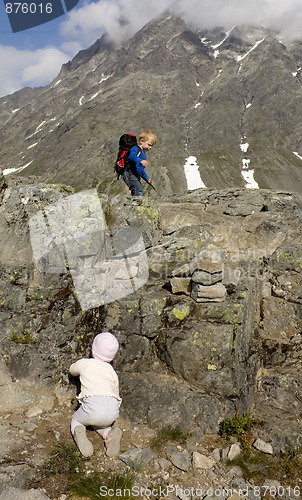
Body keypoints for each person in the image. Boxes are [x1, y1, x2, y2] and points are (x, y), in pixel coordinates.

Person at [69, 332, 122, 458]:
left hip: (93, 407)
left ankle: (79, 433)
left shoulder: (85, 363)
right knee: (99, 423)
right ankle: (109, 435)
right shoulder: (112, 372)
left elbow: (72, 369)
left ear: (93, 350)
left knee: (77, 420)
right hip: (112, 410)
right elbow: (116, 391)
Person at [123, 129, 157, 196]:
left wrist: (147, 178)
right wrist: (140, 161)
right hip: (129, 173)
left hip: (134, 175)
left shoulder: (143, 153)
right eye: (149, 145)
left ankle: (135, 204)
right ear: (142, 141)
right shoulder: (135, 148)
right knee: (137, 189)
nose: (150, 147)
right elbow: (131, 156)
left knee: (137, 188)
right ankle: (138, 204)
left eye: (151, 146)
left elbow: (140, 169)